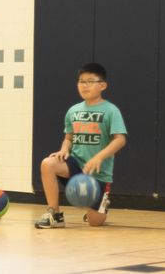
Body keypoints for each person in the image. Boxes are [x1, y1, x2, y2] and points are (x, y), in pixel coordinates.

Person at [35, 63, 127, 229]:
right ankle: (54, 213)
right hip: (76, 165)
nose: (84, 85)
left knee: (95, 223)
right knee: (48, 164)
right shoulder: (73, 111)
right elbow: (68, 138)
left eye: (90, 81)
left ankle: (101, 204)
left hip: (98, 173)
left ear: (103, 85)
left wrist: (99, 157)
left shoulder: (111, 110)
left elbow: (120, 139)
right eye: (81, 81)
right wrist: (64, 149)